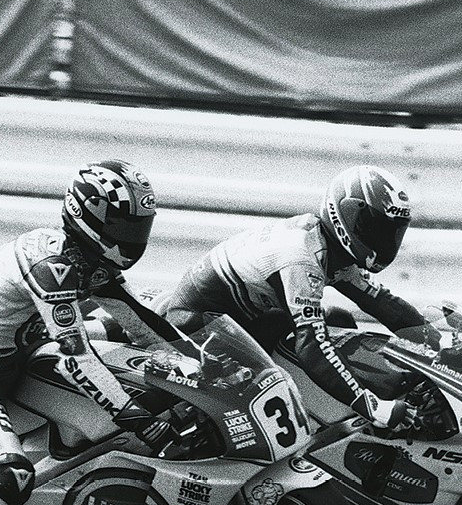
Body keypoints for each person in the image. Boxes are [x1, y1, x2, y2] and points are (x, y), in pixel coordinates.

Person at [0, 159, 185, 505]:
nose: (133, 236)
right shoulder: (52, 266)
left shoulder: (90, 260)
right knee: (14, 479)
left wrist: (200, 363)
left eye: (139, 225)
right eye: (124, 226)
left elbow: (141, 321)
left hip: (23, 357)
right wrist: (141, 420)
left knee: (104, 390)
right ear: (89, 216)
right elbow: (78, 356)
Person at [161, 164, 433, 431]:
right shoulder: (301, 258)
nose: (383, 240)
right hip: (198, 324)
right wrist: (372, 406)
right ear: (347, 216)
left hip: (238, 318)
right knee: (278, 378)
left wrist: (444, 351)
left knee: (339, 320)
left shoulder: (331, 247)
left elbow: (385, 305)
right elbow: (313, 349)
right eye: (376, 229)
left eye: (391, 232)